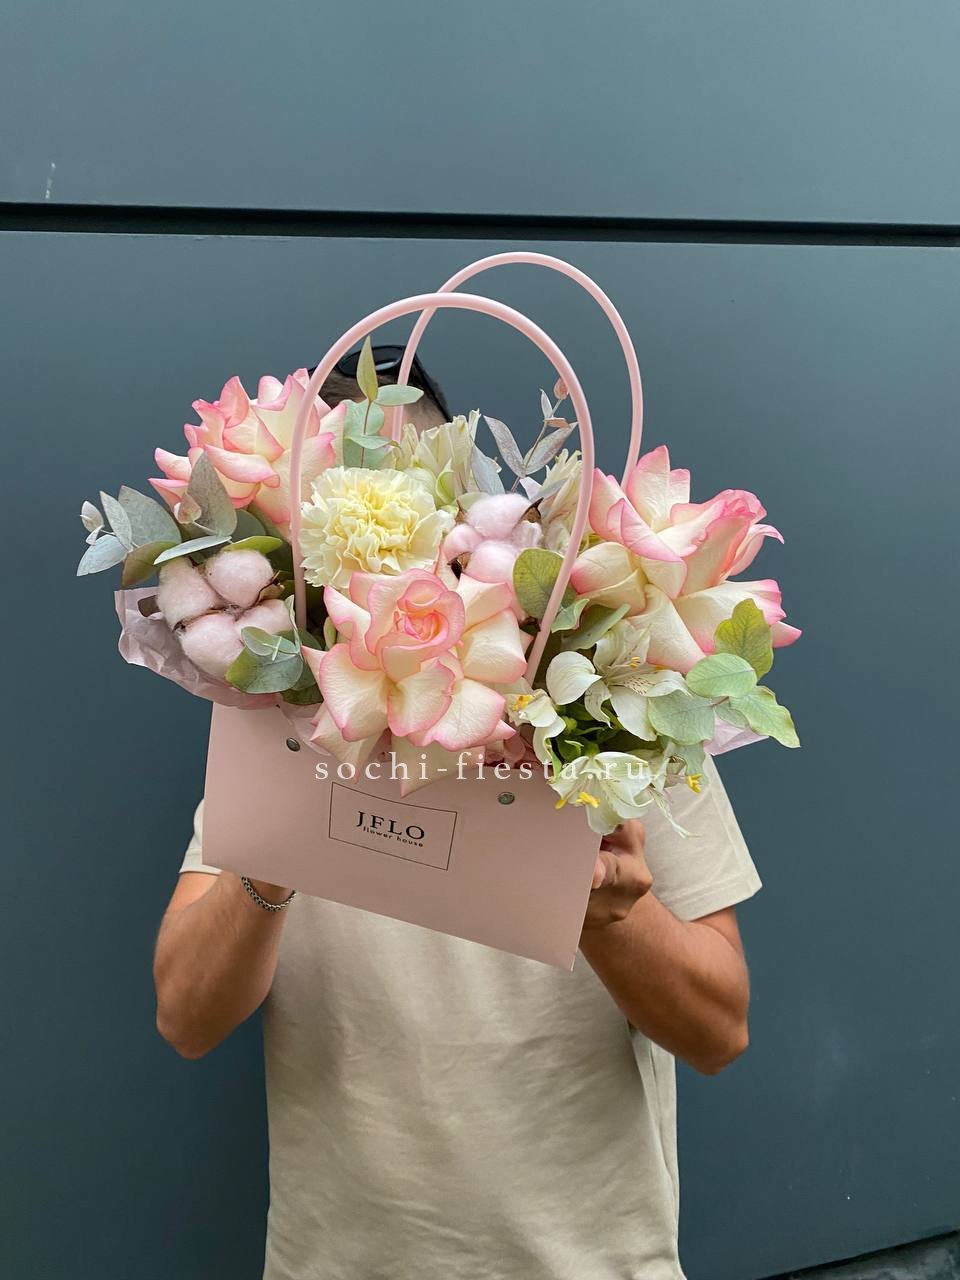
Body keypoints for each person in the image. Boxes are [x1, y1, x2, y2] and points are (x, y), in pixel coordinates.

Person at [154, 348, 762, 1280]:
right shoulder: (275, 715)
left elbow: (720, 1032)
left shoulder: (614, 701)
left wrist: (612, 918)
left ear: (465, 501)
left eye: (410, 496)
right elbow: (186, 1017)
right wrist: (273, 856)